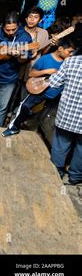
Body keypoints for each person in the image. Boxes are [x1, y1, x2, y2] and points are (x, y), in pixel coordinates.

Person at [2, 39, 75, 137]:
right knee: (25, 107)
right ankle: (14, 128)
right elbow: (31, 73)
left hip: (57, 95)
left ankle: (40, 133)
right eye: (69, 51)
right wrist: (46, 71)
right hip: (41, 91)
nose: (71, 54)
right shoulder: (45, 59)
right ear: (60, 48)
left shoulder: (70, 63)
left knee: (46, 117)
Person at [47, 50, 82, 185]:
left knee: (61, 143)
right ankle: (75, 177)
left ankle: (56, 173)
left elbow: (54, 83)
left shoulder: (71, 61)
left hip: (67, 114)